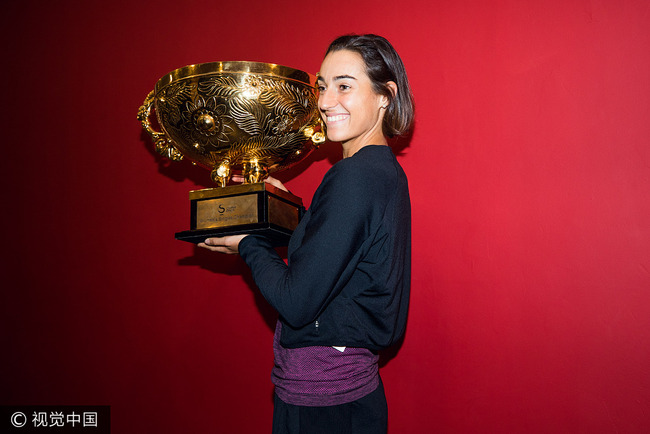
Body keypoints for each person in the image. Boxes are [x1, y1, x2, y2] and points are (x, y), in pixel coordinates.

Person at [199, 33, 415, 434]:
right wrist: (290, 211)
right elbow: (347, 249)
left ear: (386, 95)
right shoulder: (383, 172)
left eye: (344, 86)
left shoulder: (354, 177)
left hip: (324, 404)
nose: (325, 101)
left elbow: (297, 302)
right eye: (322, 86)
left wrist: (249, 243)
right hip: (351, 397)